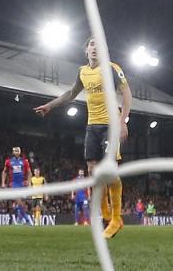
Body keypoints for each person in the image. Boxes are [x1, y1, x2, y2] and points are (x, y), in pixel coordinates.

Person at [34, 35, 132, 240]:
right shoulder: (83, 72)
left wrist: (123, 121)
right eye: (92, 45)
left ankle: (115, 218)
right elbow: (70, 94)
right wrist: (50, 106)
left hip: (111, 125)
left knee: (110, 170)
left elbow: (127, 94)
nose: (95, 48)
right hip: (92, 126)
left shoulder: (112, 68)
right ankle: (107, 217)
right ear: (86, 50)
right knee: (93, 171)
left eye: (99, 46)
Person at [1, 146, 33, 225]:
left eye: (18, 151)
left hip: (22, 183)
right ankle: (27, 219)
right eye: (15, 151)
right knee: (18, 201)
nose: (16, 152)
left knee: (22, 202)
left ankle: (20, 219)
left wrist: (29, 182)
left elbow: (29, 172)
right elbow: (4, 172)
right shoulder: (8, 161)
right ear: (13, 152)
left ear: (20, 152)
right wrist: (3, 183)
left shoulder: (25, 161)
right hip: (14, 184)